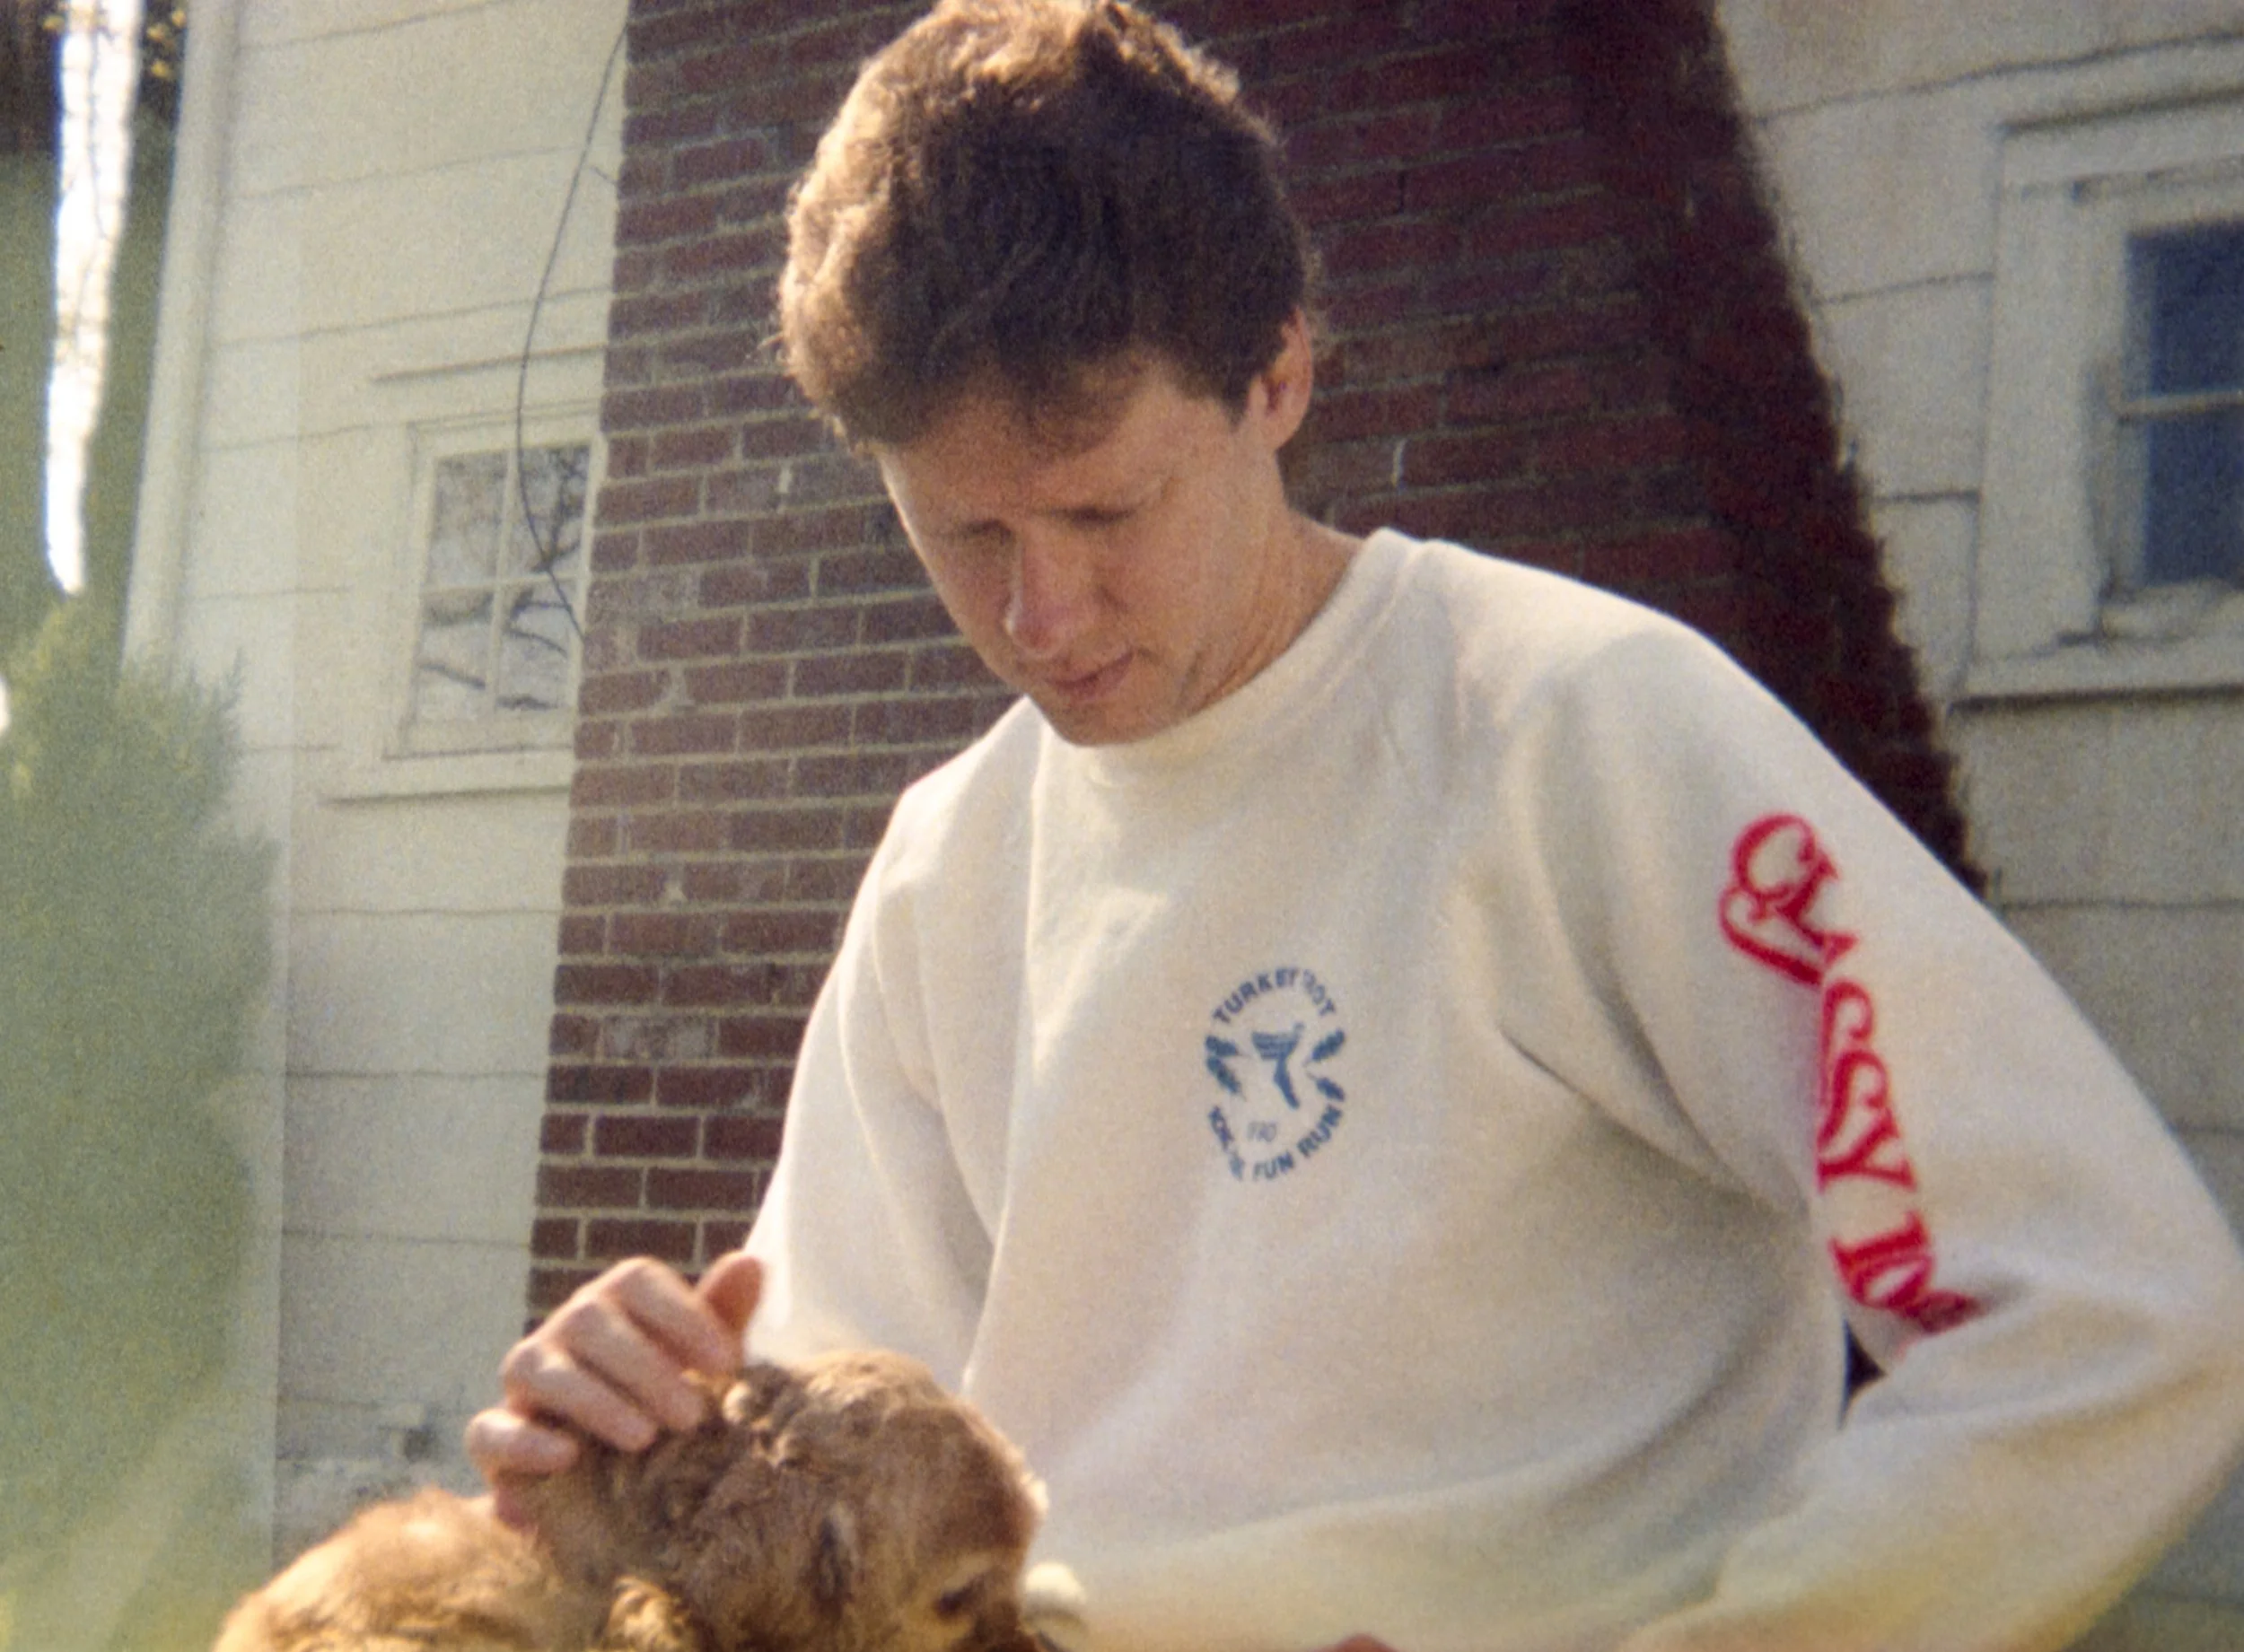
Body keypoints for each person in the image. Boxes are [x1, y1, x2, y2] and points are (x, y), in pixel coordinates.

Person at [467, 3, 2244, 1648]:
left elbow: (2104, 1317)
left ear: (1278, 378)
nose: (1042, 618)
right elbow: (842, 1429)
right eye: (962, 536)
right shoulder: (951, 856)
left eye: (1105, 509)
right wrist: (632, 1466)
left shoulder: (1569, 728)